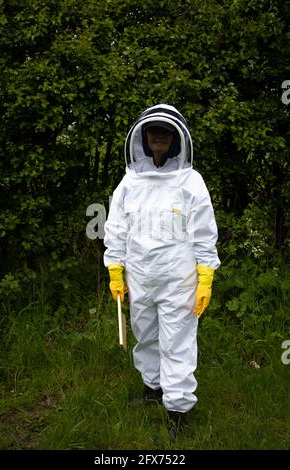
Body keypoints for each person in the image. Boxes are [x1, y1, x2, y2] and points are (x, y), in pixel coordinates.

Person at [103, 104, 220, 438]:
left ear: (175, 139)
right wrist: (115, 268)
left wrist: (205, 276)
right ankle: (153, 387)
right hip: (139, 277)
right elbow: (116, 228)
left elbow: (204, 232)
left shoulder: (191, 182)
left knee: (178, 342)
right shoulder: (130, 181)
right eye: (152, 131)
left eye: (164, 132)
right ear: (143, 136)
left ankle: (177, 409)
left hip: (178, 280)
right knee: (146, 335)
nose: (158, 136)